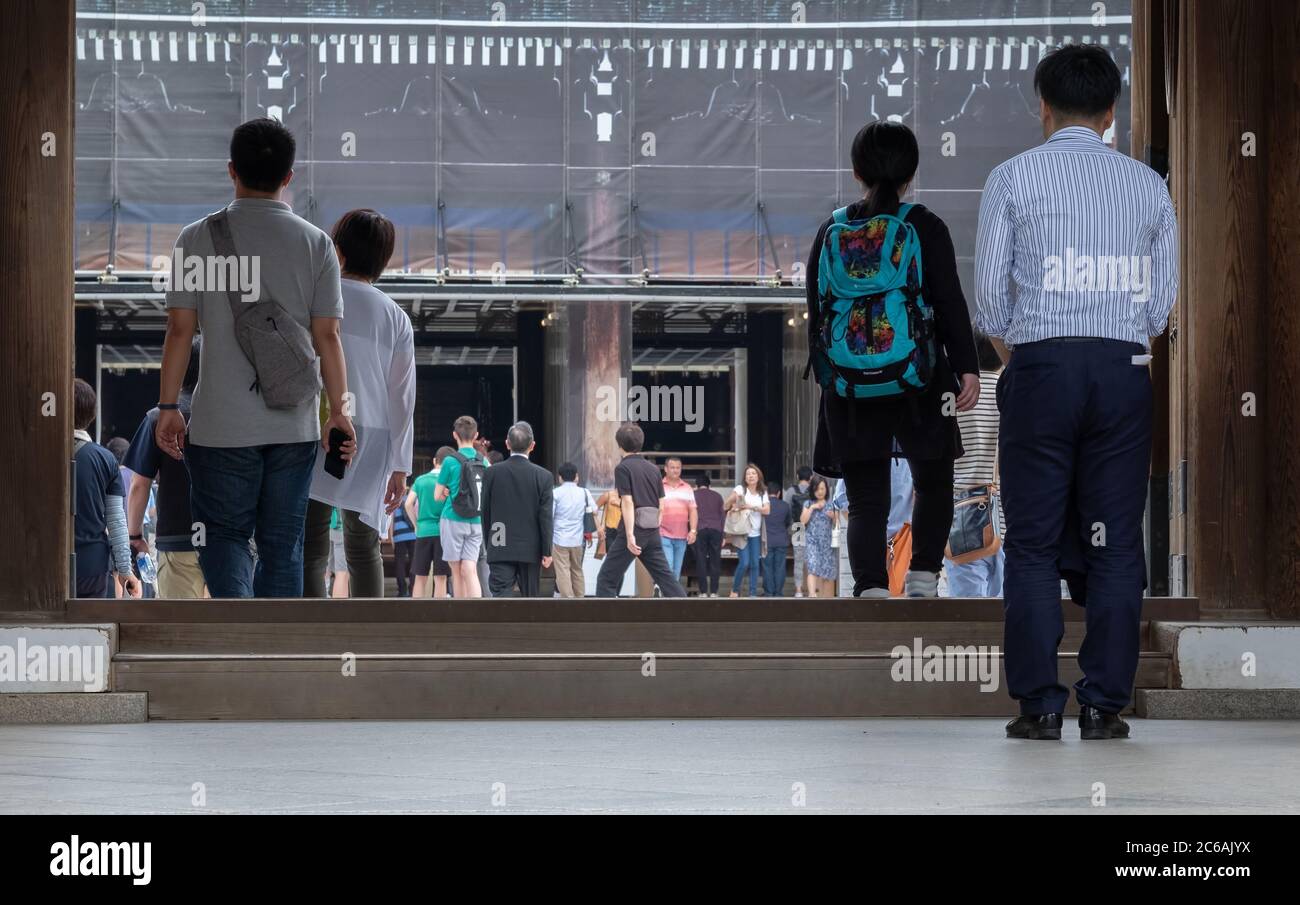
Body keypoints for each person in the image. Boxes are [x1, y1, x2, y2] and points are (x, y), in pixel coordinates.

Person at [975, 44, 1177, 741]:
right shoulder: (1149, 187)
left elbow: (991, 309)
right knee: (1117, 542)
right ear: (1111, 112)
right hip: (1124, 371)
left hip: (1039, 370)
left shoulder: (1010, 178)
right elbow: (1161, 312)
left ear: (1043, 107)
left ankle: (1037, 705)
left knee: (1031, 544)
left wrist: (1035, 355)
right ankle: (1102, 705)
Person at [155, 117, 356, 598]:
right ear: (289, 176)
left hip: (219, 425)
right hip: (293, 425)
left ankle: (235, 645)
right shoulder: (316, 244)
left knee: (222, 538)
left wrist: (167, 408)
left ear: (231, 171)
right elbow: (327, 337)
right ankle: (277, 657)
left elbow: (180, 330)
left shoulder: (195, 239)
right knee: (282, 544)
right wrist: (340, 415)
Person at [805, 120, 980, 599]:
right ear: (911, 172)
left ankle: (871, 587)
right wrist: (966, 364)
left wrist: (833, 370)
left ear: (857, 171)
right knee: (933, 476)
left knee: (865, 497)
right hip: (918, 374)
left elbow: (817, 309)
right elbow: (949, 300)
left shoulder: (832, 229)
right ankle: (923, 575)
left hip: (849, 381)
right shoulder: (924, 225)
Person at [303, 209, 416, 599]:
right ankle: (370, 633)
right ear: (383, 260)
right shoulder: (396, 317)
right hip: (375, 436)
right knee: (363, 543)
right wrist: (400, 465)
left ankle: (310, 630)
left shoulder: (315, 299)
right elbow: (402, 396)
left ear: (339, 252)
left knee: (312, 542)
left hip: (318, 423)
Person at [123, 336, 205, 598]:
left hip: (176, 539)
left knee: (181, 627)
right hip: (229, 540)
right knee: (227, 626)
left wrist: (135, 535)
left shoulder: (158, 418)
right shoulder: (233, 416)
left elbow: (139, 486)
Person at [943, 333, 1006, 598]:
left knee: (968, 617)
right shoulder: (1011, 394)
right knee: (1010, 614)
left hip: (963, 516)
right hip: (1007, 516)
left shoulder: (956, 399)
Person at [594, 423, 687, 598]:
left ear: (619, 445)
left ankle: (605, 624)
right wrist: (655, 524)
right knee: (667, 579)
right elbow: (661, 502)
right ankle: (690, 617)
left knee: (606, 579)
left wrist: (630, 535)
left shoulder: (623, 468)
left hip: (633, 530)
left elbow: (627, 502)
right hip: (652, 530)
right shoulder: (653, 469)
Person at [72, 379, 140, 599]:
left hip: (43, 564)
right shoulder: (105, 459)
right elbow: (116, 519)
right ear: (92, 415)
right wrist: (124, 569)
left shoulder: (38, 454)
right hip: (91, 566)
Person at [481, 422, 554, 597]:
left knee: (501, 598)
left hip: (500, 541)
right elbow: (545, 517)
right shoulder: (544, 476)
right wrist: (546, 550)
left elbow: (485, 512)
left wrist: (490, 544)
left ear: (507, 444)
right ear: (532, 446)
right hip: (531, 546)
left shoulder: (491, 473)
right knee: (530, 599)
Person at [434, 416, 488, 598]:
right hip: (476, 520)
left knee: (456, 570)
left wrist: (447, 492)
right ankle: (476, 612)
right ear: (476, 436)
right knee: (470, 568)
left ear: (454, 435)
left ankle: (460, 612)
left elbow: (437, 496)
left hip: (453, 518)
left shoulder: (449, 461)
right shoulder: (484, 461)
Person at [409, 447, 454, 599]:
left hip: (423, 531)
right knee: (440, 577)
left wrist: (416, 524)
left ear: (435, 461)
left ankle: (416, 613)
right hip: (443, 533)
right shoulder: (449, 483)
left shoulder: (420, 480)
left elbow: (408, 504)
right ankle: (438, 616)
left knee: (420, 576)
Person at [724, 464, 770, 597]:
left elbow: (767, 510)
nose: (751, 476)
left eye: (754, 473)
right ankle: (735, 590)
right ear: (744, 477)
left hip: (756, 533)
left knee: (755, 564)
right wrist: (735, 503)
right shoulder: (740, 489)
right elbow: (726, 504)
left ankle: (753, 593)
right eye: (748, 474)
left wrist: (751, 507)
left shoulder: (763, 492)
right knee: (744, 563)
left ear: (758, 476)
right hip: (741, 532)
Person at [551, 462, 595, 598]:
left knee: (563, 571)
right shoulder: (584, 492)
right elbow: (594, 510)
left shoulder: (555, 493)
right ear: (576, 476)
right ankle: (579, 600)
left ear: (560, 477)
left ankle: (568, 601)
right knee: (577, 570)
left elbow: (550, 516)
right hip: (578, 539)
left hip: (559, 539)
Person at [659, 457, 698, 582]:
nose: (675, 470)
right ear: (665, 469)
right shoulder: (658, 486)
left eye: (678, 468)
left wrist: (693, 530)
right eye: (672, 467)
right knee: (668, 568)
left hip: (682, 536)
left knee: (677, 571)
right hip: (663, 533)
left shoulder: (687, 488)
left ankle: (671, 598)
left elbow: (693, 510)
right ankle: (667, 597)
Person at [801, 475, 838, 598]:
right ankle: (812, 595)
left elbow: (837, 524)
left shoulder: (831, 505)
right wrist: (812, 508)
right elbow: (802, 521)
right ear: (813, 490)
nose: (820, 492)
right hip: (812, 541)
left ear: (826, 489)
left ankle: (827, 597)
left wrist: (834, 517)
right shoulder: (808, 503)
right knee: (812, 566)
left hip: (827, 542)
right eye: (817, 489)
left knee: (827, 570)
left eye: (822, 489)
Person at [692, 473, 725, 597]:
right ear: (709, 485)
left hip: (699, 529)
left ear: (696, 485)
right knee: (715, 561)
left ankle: (703, 591)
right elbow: (722, 516)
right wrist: (724, 535)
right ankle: (714, 592)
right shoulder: (717, 496)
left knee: (701, 560)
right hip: (716, 530)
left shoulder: (693, 495)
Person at [785, 465, 813, 597]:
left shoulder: (791, 490)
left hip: (797, 527)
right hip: (811, 527)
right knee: (812, 558)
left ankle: (798, 590)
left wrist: (789, 528)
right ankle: (811, 589)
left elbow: (787, 510)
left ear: (797, 476)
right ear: (811, 477)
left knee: (799, 559)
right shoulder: (814, 490)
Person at [762, 482, 793, 596]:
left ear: (766, 493)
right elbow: (788, 522)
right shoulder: (785, 505)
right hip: (781, 540)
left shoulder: (763, 505)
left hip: (767, 541)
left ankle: (768, 593)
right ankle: (778, 593)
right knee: (780, 567)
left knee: (767, 567)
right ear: (779, 493)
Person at [389, 476, 417, 597]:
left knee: (399, 563)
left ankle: (402, 591)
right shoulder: (414, 501)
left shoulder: (396, 502)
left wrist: (391, 538)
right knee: (414, 562)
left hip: (399, 536)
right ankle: (413, 589)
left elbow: (391, 522)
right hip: (413, 535)